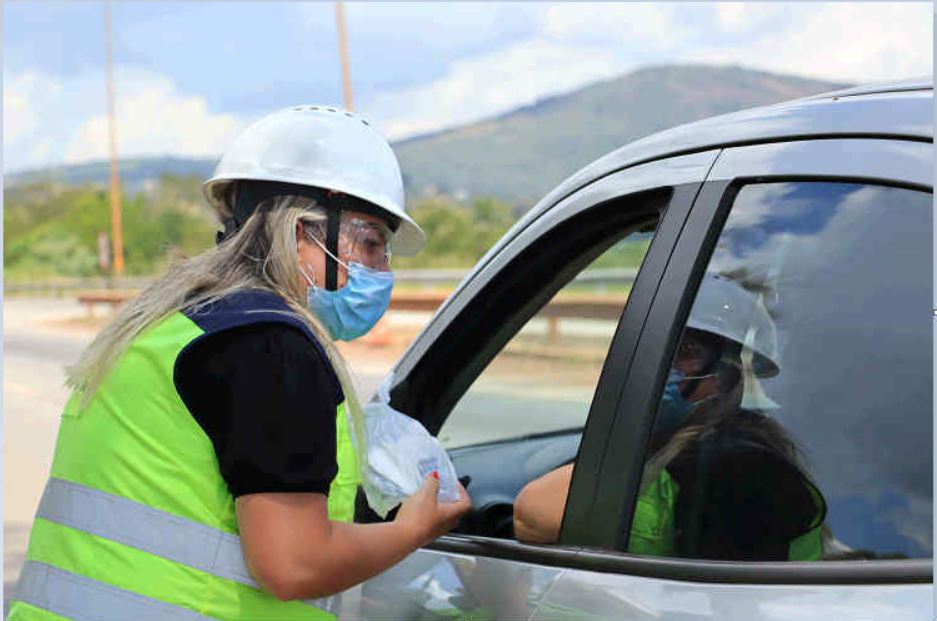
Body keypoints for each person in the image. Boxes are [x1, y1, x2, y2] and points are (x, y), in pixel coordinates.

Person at [8, 106, 471, 621]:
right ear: (301, 233)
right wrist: (410, 531)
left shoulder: (173, 325)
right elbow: (293, 564)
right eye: (370, 244)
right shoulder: (271, 348)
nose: (381, 271)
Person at [513, 274, 826, 561]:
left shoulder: (737, 466)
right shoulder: (676, 442)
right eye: (655, 348)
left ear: (725, 376)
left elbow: (532, 513)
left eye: (686, 352)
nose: (660, 365)